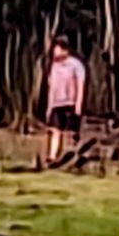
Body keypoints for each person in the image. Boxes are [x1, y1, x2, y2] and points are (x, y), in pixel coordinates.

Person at [44, 35, 87, 166]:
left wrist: (78, 105)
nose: (54, 51)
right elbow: (52, 86)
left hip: (70, 103)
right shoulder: (54, 66)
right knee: (55, 130)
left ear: (64, 50)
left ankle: (73, 156)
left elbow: (80, 85)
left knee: (71, 132)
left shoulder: (76, 65)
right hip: (57, 103)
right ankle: (51, 156)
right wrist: (49, 106)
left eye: (56, 48)